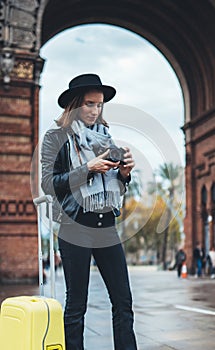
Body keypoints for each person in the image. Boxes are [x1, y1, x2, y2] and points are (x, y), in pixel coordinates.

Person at [41, 73, 138, 350]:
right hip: (75, 227)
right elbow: (48, 183)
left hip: (106, 225)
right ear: (74, 105)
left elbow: (116, 185)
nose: (95, 110)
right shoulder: (55, 137)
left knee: (123, 302)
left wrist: (125, 174)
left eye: (99, 104)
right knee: (76, 307)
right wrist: (87, 169)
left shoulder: (106, 138)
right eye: (89, 104)